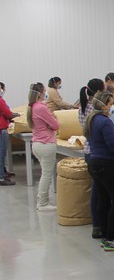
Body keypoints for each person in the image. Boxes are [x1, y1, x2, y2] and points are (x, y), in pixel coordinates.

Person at [84, 90, 114, 251]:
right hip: (108, 165)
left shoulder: (92, 119)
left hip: (95, 163)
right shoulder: (105, 122)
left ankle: (105, 235)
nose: (113, 107)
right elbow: (112, 146)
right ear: (104, 105)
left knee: (103, 200)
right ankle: (111, 237)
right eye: (111, 103)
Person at [79, 78, 108, 238]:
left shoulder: (82, 107)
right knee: (99, 192)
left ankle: (99, 223)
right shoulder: (95, 111)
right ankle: (98, 225)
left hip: (89, 152)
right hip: (98, 153)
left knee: (97, 190)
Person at [27, 83, 60, 211]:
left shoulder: (32, 107)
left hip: (37, 144)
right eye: (45, 91)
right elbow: (55, 125)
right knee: (46, 175)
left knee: (44, 174)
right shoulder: (41, 107)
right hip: (46, 144)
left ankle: (42, 200)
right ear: (41, 93)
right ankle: (42, 203)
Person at [0, 82, 20, 186]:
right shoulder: (0, 101)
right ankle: (1, 178)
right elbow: (8, 113)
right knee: (1, 154)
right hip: (1, 129)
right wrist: (17, 115)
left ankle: (2, 173)